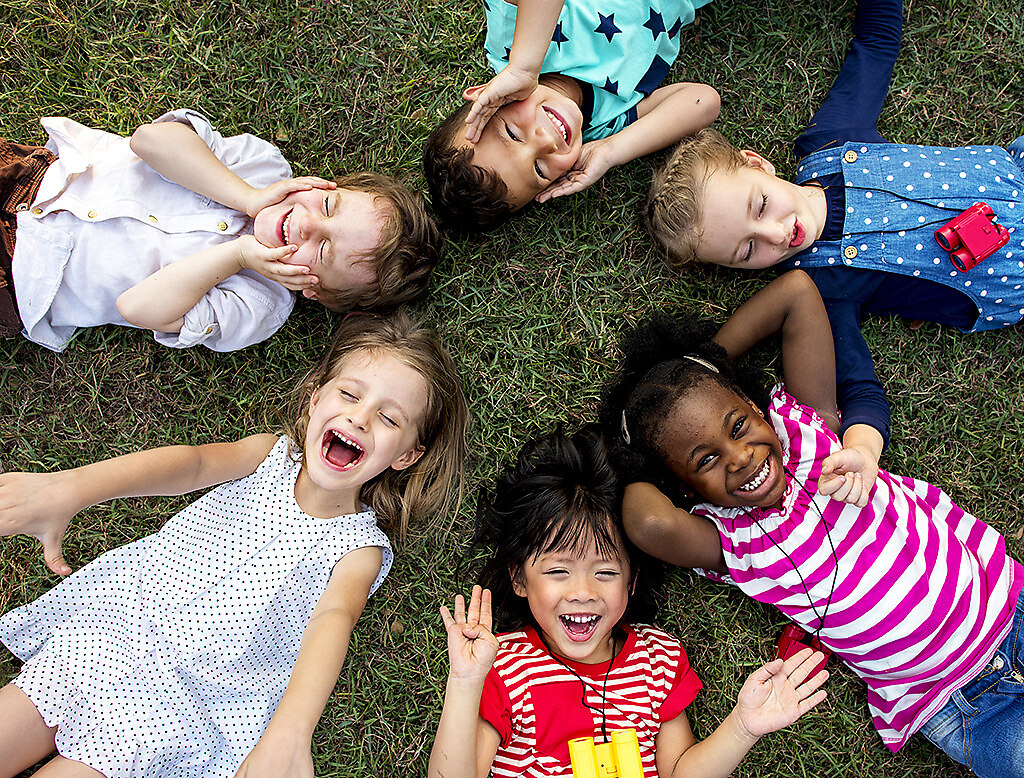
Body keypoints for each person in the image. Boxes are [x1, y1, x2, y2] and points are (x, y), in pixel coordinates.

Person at [0, 311, 468, 778]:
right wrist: (69, 489)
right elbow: (193, 465)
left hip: (181, 703)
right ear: (314, 398)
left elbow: (334, 620)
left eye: (389, 418)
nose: (360, 418)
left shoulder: (360, 548)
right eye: (349, 393)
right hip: (114, 632)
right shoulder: (269, 455)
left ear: (407, 455)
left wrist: (291, 732)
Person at [600, 270, 1024, 776]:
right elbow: (646, 522)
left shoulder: (809, 431)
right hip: (954, 702)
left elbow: (797, 293)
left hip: (1008, 604)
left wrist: (701, 367)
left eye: (739, 426)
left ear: (757, 408)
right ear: (687, 490)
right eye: (705, 461)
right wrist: (625, 455)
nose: (739, 457)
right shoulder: (731, 541)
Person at [646, 0, 1024, 459]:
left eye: (761, 205)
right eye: (747, 250)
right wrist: (862, 449)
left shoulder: (833, 139)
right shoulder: (824, 291)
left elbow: (875, 47)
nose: (775, 234)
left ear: (757, 164)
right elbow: (858, 385)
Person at [429, 427, 827, 777]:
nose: (582, 591)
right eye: (557, 571)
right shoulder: (503, 667)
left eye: (605, 572)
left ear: (632, 580)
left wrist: (743, 726)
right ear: (519, 579)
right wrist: (465, 682)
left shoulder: (659, 659)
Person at [0, 109, 440, 352]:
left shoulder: (258, 305)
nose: (307, 222)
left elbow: (136, 307)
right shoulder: (261, 166)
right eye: (328, 205)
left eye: (322, 251)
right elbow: (149, 141)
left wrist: (237, 256)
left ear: (315, 290)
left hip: (25, 280)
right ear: (327, 183)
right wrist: (246, 198)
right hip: (38, 177)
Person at [423, 0, 720, 232]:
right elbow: (703, 102)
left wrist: (524, 66)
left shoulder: (511, 46)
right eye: (539, 169)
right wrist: (611, 151)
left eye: (513, 133)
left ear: (485, 95)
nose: (545, 143)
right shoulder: (604, 126)